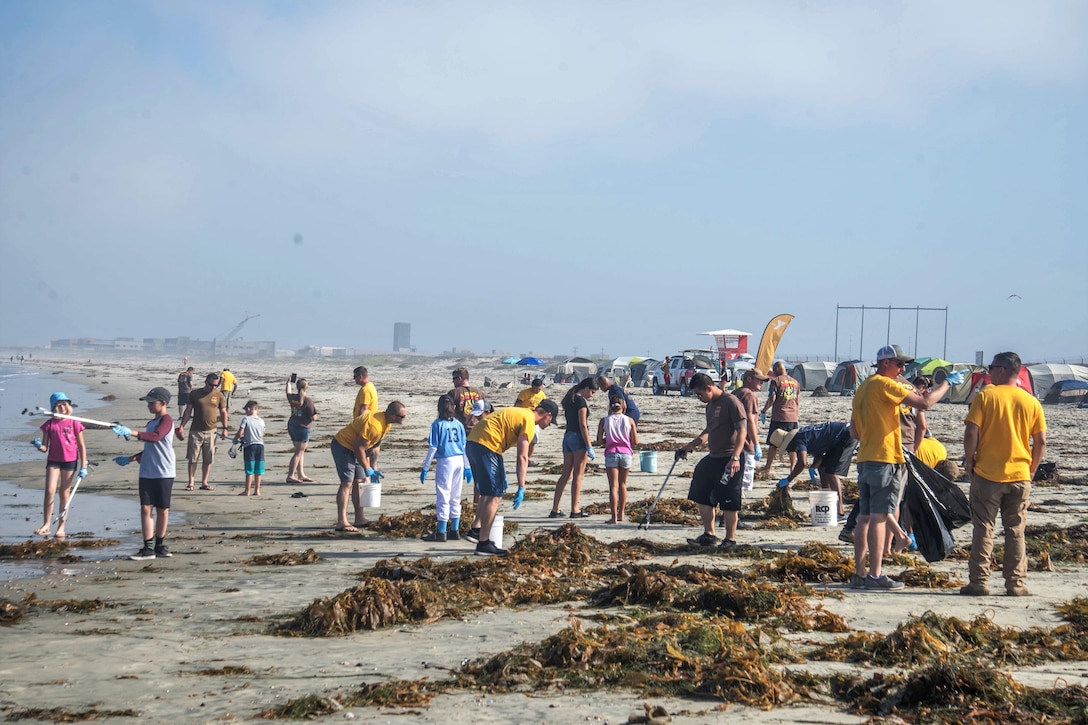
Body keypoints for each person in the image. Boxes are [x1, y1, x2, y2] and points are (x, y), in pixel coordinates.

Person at [849, 344, 962, 591]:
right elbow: (924, 403)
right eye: (899, 364)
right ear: (885, 363)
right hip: (885, 458)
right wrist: (947, 384)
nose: (903, 369)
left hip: (866, 458)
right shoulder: (885, 384)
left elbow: (854, 431)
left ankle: (859, 573)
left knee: (864, 518)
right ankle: (876, 575)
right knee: (879, 518)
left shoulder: (863, 388)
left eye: (904, 365)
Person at [960, 352, 1046, 597]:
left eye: (991, 368)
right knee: (1015, 530)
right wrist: (1032, 469)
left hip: (988, 474)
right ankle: (1015, 583)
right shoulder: (1031, 402)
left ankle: (979, 581)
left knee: (983, 528)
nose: (988, 372)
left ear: (1001, 370)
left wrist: (969, 462)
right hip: (1019, 474)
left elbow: (971, 433)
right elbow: (1040, 442)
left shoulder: (986, 396)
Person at [465, 400, 559, 556]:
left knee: (488, 492)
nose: (550, 424)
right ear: (547, 415)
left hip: (474, 442)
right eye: (551, 421)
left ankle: (476, 530)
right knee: (495, 495)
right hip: (487, 444)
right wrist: (522, 486)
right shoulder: (529, 421)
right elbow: (522, 456)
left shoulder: (523, 413)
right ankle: (483, 544)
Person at [675, 373, 747, 547]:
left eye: (699, 394)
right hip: (713, 457)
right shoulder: (710, 405)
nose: (699, 398)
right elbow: (709, 430)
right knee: (702, 494)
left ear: (709, 388)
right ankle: (709, 534)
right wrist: (689, 446)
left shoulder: (731, 402)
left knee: (729, 501)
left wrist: (735, 457)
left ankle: (730, 539)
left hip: (731, 458)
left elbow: (742, 430)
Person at [111, 387, 176, 560]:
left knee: (162, 509)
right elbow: (149, 447)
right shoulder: (150, 423)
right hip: (147, 472)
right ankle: (148, 548)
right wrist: (131, 458)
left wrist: (131, 432)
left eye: (151, 402)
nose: (148, 405)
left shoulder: (167, 420)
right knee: (145, 508)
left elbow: (155, 437)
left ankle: (160, 545)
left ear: (163, 403)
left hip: (164, 472)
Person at [330, 401, 407, 531]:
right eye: (402, 416)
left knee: (359, 482)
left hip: (357, 449)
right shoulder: (374, 425)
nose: (404, 419)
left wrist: (372, 467)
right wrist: (367, 468)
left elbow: (373, 446)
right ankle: (342, 521)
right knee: (346, 483)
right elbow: (359, 448)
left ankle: (359, 518)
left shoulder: (386, 424)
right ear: (393, 415)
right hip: (343, 446)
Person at [31, 392, 88, 539]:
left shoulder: (74, 422)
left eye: (64, 404)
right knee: (49, 490)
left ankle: (61, 527)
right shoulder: (49, 425)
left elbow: (81, 446)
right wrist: (38, 445)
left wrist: (84, 466)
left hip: (70, 461)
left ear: (68, 406)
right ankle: (46, 524)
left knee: (64, 493)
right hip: (54, 460)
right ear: (53, 407)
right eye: (58, 404)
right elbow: (45, 448)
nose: (62, 407)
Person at [776, 422, 859, 517]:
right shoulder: (803, 436)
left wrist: (789, 479)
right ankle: (826, 505)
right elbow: (819, 455)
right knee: (822, 468)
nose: (788, 450)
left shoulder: (798, 441)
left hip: (846, 434)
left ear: (788, 443)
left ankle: (839, 512)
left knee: (831, 473)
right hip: (842, 434)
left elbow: (802, 462)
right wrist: (813, 467)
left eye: (786, 448)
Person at [419, 394, 470, 542]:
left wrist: (425, 467)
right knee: (455, 496)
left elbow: (433, 447)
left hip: (445, 461)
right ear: (454, 407)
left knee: (443, 496)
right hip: (459, 460)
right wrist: (467, 467)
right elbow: (464, 446)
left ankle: (441, 532)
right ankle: (454, 530)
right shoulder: (459, 424)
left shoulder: (437, 424)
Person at [549, 377, 598, 519]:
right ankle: (575, 509)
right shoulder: (581, 401)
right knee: (578, 475)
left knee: (566, 474)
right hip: (578, 438)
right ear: (587, 388)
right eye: (593, 392)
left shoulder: (569, 399)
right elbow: (583, 425)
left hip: (568, 436)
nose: (592, 396)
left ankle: (555, 509)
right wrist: (589, 445)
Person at [177, 372, 228, 491]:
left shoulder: (219, 395)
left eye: (216, 385)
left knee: (208, 459)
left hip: (212, 432)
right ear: (206, 382)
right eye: (211, 385)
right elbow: (188, 411)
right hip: (196, 431)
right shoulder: (195, 394)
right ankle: (191, 482)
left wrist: (225, 428)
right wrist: (182, 426)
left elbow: (224, 412)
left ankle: (204, 482)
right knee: (193, 458)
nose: (213, 387)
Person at [595, 394, 638, 523]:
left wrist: (607, 439)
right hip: (626, 453)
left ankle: (613, 517)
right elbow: (635, 441)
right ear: (623, 406)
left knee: (613, 486)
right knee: (623, 484)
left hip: (611, 452)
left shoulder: (604, 420)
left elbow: (598, 441)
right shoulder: (629, 420)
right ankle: (621, 514)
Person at [759, 361, 800, 479]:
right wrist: (796, 415)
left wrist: (764, 410)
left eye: (773, 369)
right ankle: (792, 468)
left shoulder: (776, 381)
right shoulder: (796, 382)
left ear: (777, 369)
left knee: (773, 443)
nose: (773, 372)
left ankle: (768, 467)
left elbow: (772, 398)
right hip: (792, 418)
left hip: (779, 417)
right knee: (792, 444)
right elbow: (797, 401)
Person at [732, 368, 768, 494]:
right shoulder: (749, 395)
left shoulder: (735, 392)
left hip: (732, 442)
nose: (762, 383)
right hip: (745, 443)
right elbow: (750, 421)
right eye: (759, 380)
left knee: (733, 478)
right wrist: (756, 444)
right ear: (749, 379)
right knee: (745, 480)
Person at [286, 374, 318, 483]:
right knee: (298, 452)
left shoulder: (293, 398)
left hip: (292, 425)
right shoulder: (308, 401)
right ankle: (290, 475)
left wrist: (288, 383)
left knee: (300, 451)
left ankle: (301, 474)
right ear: (306, 388)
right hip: (302, 428)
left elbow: (288, 392)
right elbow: (313, 417)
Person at [232, 400, 266, 496]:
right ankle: (257, 490)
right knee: (259, 469)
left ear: (249, 409)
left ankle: (247, 491)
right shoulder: (261, 421)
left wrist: (235, 439)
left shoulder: (246, 419)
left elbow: (240, 432)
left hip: (250, 446)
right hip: (260, 446)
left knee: (249, 470)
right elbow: (262, 435)